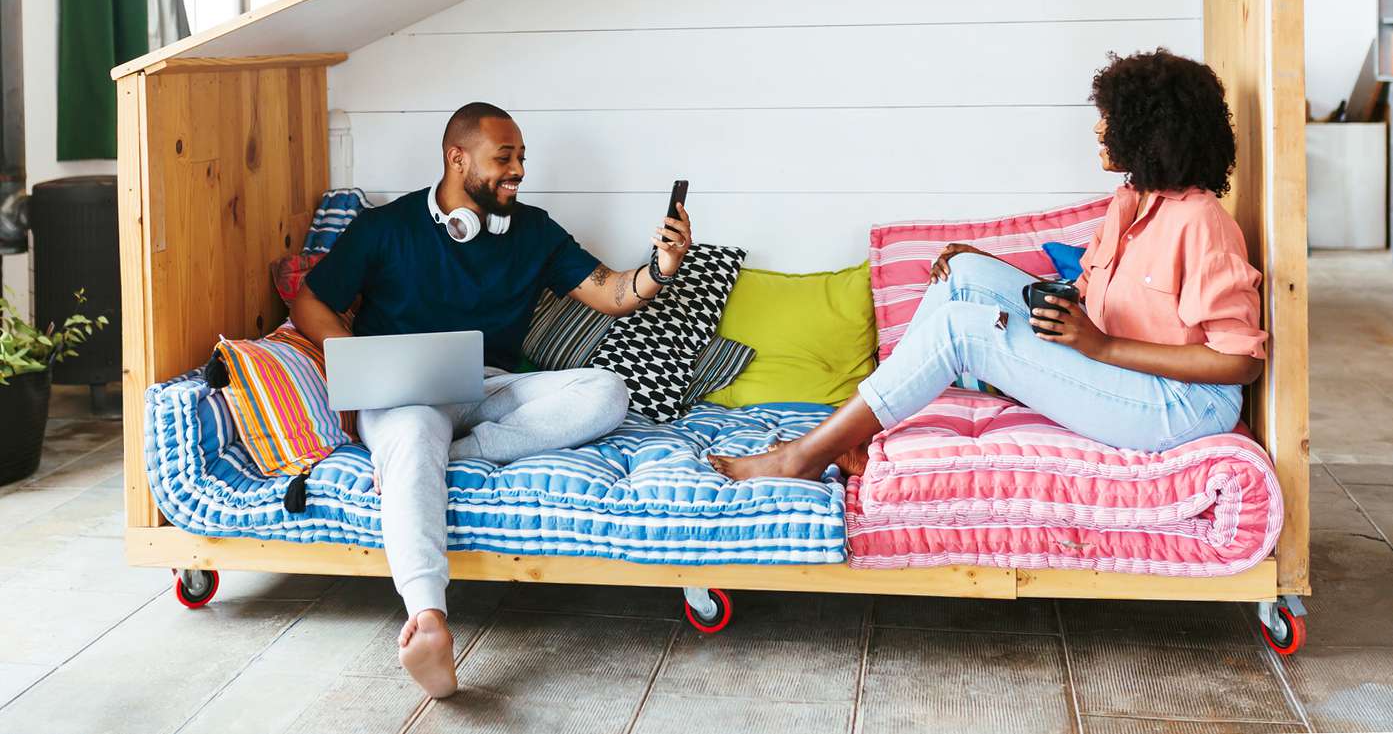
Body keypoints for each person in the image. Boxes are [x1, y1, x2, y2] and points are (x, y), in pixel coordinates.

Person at [711, 48, 1267, 482]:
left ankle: (807, 455)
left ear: (1151, 133)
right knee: (965, 277)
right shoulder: (1129, 203)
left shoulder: (1202, 223)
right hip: (1120, 373)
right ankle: (854, 433)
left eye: (1111, 119)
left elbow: (1239, 364)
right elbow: (1085, 295)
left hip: (1179, 405)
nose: (1100, 130)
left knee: (963, 331)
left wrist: (1102, 348)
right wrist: (989, 269)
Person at [290, 101, 693, 698]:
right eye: (504, 157)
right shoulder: (387, 227)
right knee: (412, 430)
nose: (519, 170)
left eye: (522, 157)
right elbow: (308, 302)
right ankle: (427, 620)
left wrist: (661, 268)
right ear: (457, 158)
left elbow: (610, 292)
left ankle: (435, 461)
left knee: (606, 389)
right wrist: (356, 358)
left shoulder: (533, 230)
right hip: (408, 395)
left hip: (492, 386)